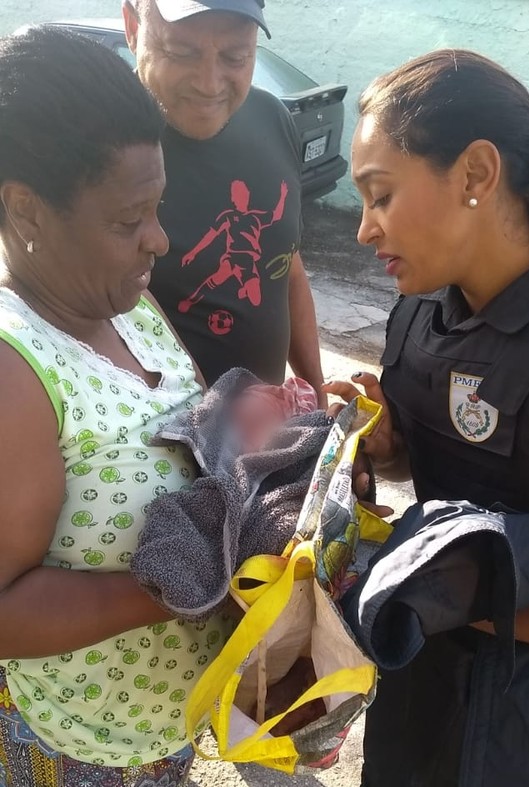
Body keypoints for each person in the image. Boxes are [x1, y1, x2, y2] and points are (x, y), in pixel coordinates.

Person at [324, 49, 529, 786]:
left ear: (476, 173)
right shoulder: (421, 309)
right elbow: (441, 467)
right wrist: (377, 442)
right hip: (419, 678)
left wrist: (403, 588)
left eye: (380, 195)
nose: (363, 230)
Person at [0, 27, 231, 787]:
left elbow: (201, 437)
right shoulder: (15, 367)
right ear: (26, 210)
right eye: (129, 220)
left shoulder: (126, 303)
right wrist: (172, 585)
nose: (158, 240)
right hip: (78, 752)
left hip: (162, 733)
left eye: (157, 209)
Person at [122, 0, 326, 402]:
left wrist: (317, 401)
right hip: (159, 450)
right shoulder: (99, 143)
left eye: (236, 56)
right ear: (132, 26)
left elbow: (285, 268)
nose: (210, 83)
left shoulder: (272, 119)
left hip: (265, 436)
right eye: (182, 52)